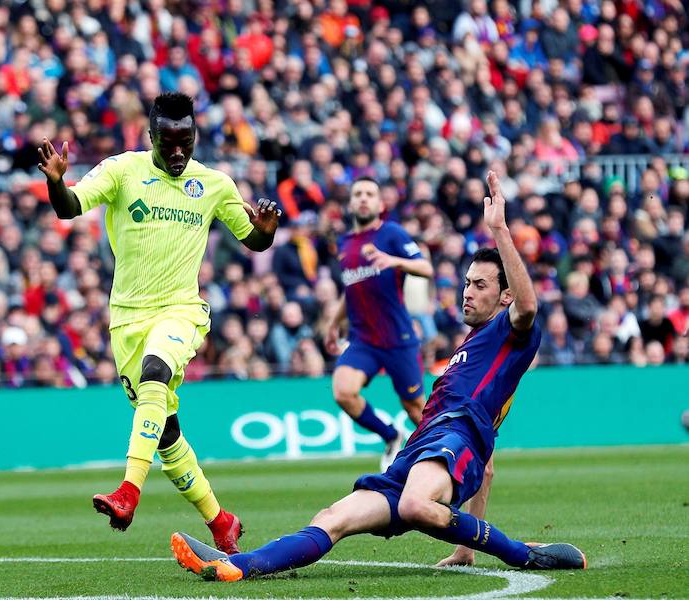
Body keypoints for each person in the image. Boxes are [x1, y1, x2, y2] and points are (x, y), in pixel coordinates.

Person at [171, 172, 587, 580]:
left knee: (416, 506)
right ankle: (233, 566)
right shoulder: (469, 348)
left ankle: (525, 555)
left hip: (452, 438)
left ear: (505, 295)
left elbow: (529, 306)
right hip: (419, 449)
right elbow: (487, 468)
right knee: (333, 516)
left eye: (480, 285)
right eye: (466, 283)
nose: (467, 292)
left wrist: (499, 230)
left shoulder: (510, 333)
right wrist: (464, 550)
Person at [38, 92, 281, 554]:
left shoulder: (213, 184)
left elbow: (252, 240)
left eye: (185, 142)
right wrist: (55, 182)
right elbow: (69, 207)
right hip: (126, 321)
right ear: (150, 136)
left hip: (181, 311)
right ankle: (222, 521)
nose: (176, 152)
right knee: (166, 434)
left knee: (156, 373)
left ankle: (128, 492)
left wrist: (266, 232)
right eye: (167, 142)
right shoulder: (121, 171)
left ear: (194, 138)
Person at [325, 177, 433, 470]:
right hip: (363, 340)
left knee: (415, 408)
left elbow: (426, 268)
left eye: (369, 194)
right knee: (343, 391)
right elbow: (352, 289)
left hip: (397, 338)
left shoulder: (392, 234)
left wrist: (395, 261)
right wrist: (333, 324)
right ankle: (391, 435)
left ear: (380, 204)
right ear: (350, 203)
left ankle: (450, 455)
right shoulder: (345, 245)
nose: (363, 198)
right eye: (357, 193)